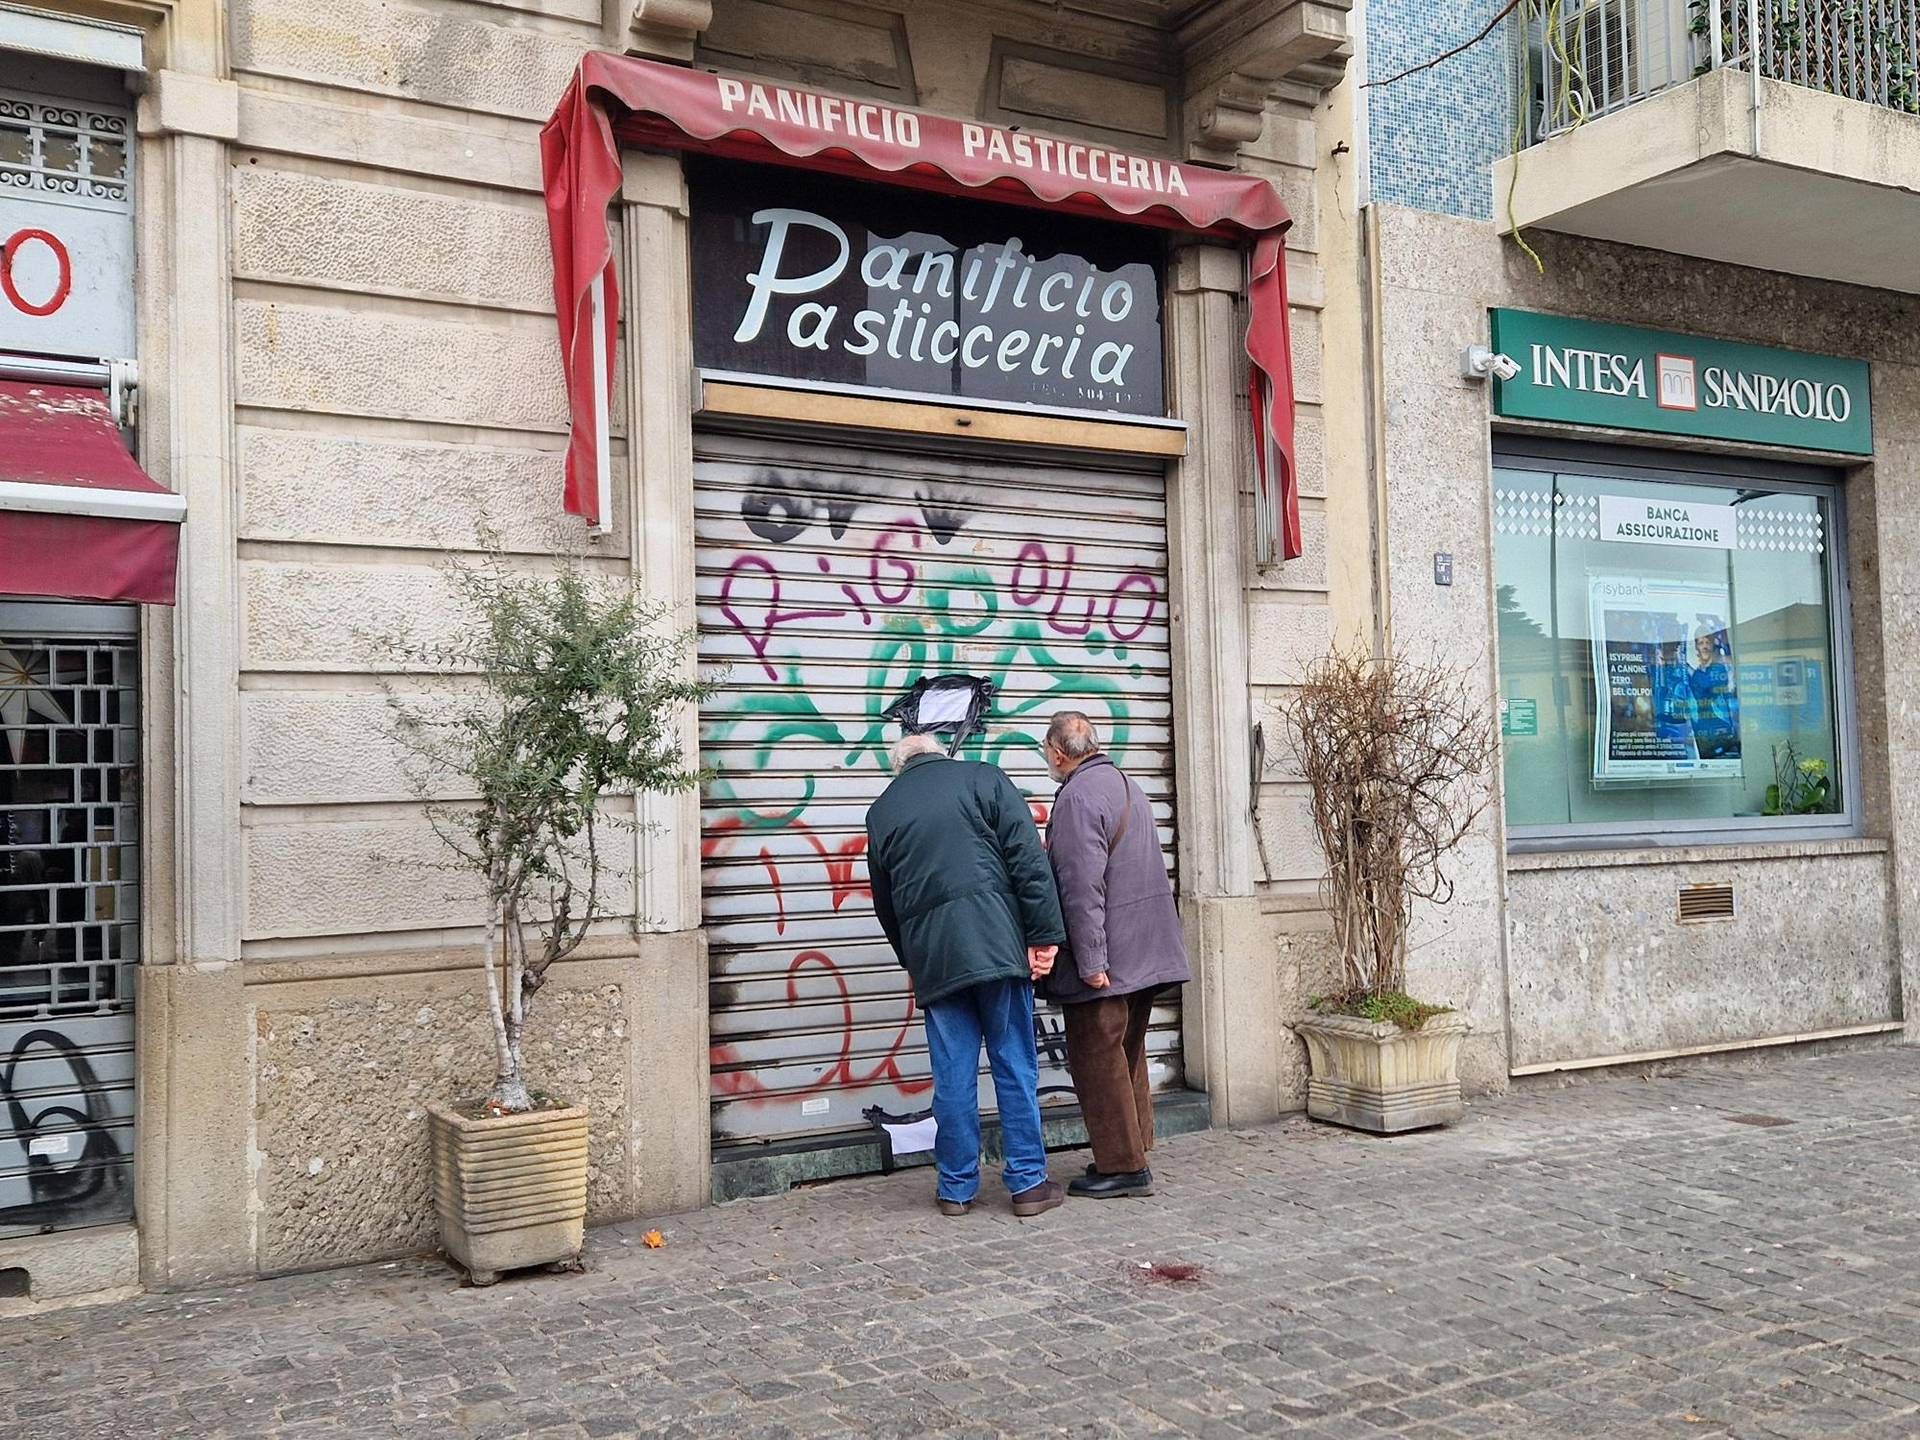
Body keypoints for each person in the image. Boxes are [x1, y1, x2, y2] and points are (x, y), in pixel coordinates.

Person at [866, 732, 1068, 1218]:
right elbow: (1028, 863)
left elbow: (885, 903)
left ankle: (955, 1188)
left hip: (937, 962)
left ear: (901, 766)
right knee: (1014, 1064)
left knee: (953, 1075)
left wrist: (913, 957)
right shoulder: (983, 779)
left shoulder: (883, 811)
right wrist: (1044, 936)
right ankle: (1027, 1184)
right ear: (941, 753)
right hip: (998, 947)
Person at [1041, 712, 1190, 1200]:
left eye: (1046, 752)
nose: (1047, 761)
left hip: (1110, 955)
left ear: (1059, 753)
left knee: (1096, 1058)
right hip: (1144, 949)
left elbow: (1081, 889)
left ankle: (1123, 1166)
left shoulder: (1078, 797)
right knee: (1127, 1051)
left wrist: (1090, 962)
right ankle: (1134, 1146)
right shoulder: (1124, 783)